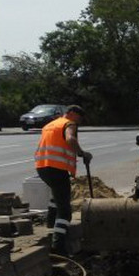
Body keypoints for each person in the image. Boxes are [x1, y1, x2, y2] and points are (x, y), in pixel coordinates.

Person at [34, 105, 92, 255]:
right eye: (79, 119)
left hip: (42, 167)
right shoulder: (68, 123)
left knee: (57, 194)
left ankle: (50, 224)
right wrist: (82, 153)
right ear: (71, 114)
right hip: (56, 168)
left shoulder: (50, 124)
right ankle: (58, 246)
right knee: (65, 211)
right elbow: (70, 138)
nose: (79, 123)